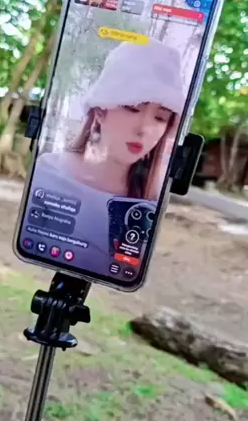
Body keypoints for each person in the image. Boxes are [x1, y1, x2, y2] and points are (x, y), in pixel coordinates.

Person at [26, 39, 186, 274]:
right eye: (132, 108)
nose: (144, 129)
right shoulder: (49, 171)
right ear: (101, 111)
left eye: (160, 118)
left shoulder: (151, 198)